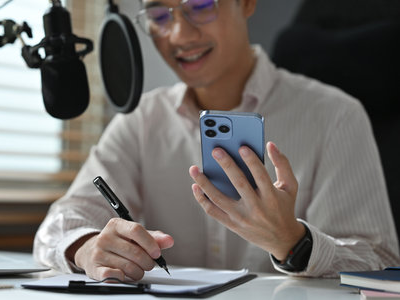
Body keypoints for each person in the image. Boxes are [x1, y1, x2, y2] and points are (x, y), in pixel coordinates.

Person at [33, 0, 400, 281]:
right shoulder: (141, 120)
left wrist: (295, 243)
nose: (178, 35)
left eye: (201, 5)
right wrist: (87, 249)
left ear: (247, 3)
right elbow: (58, 226)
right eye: (159, 14)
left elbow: (380, 260)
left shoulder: (337, 115)